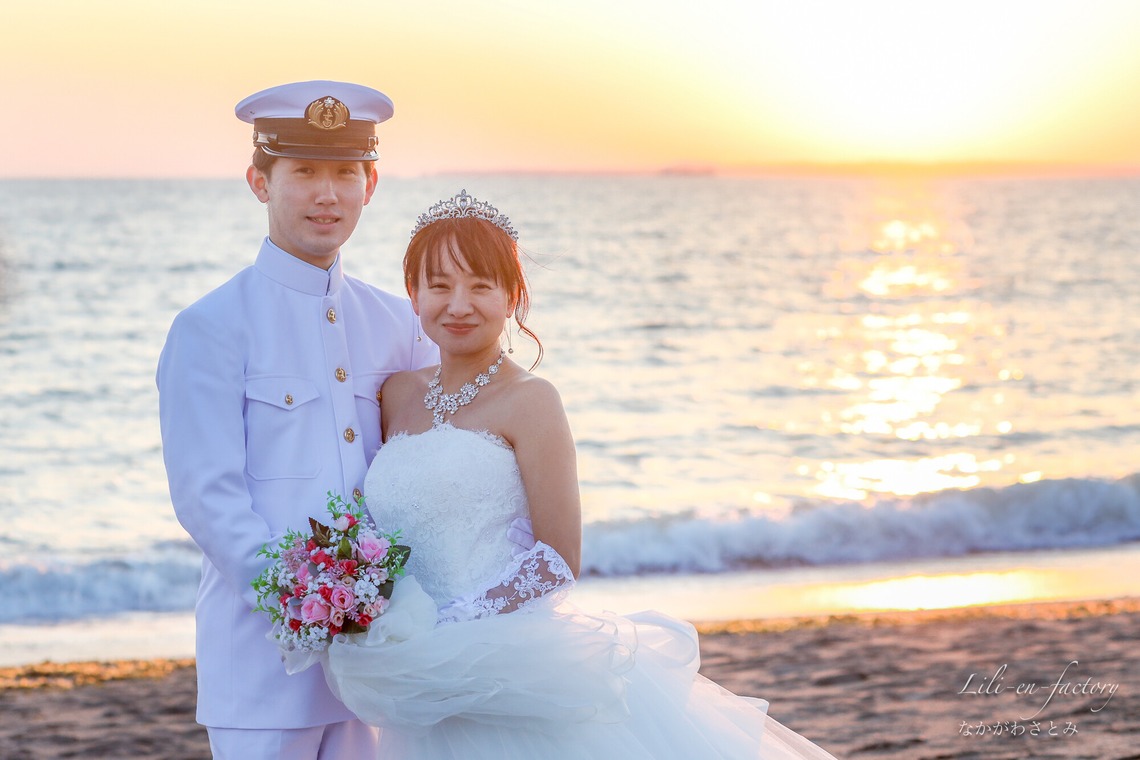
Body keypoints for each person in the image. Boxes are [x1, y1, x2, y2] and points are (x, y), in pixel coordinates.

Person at [319, 190, 839, 759]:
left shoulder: (531, 400)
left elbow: (559, 556)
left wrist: (457, 624)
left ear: (513, 295)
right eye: (439, 286)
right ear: (413, 294)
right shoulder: (394, 395)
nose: (458, 304)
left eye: (481, 286)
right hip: (416, 676)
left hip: (510, 661)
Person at [156, 80, 439, 759]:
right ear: (259, 181)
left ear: (371, 185)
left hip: (380, 672)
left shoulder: (400, 324)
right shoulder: (209, 328)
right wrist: (310, 604)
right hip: (260, 673)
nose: (327, 194)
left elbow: (428, 470)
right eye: (303, 171)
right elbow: (208, 499)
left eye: (345, 172)